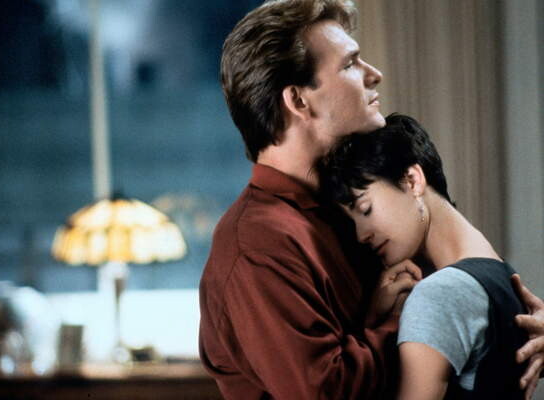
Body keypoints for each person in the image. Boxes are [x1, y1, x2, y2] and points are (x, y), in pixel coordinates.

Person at [198, 1, 544, 399]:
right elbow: (326, 392)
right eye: (349, 64)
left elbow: (464, 294)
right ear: (298, 101)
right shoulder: (258, 243)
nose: (374, 74)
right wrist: (400, 319)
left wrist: (517, 327)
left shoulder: (351, 207)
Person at [318, 113, 532, 399]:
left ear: (412, 180)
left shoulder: (439, 294)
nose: (361, 235)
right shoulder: (503, 274)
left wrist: (372, 326)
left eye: (365, 209)